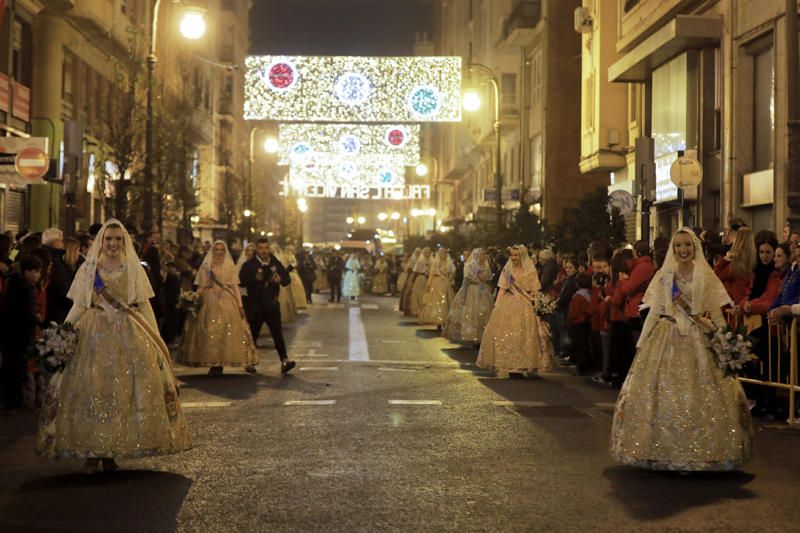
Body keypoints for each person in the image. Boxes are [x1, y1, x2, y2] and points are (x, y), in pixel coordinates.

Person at [36, 220, 192, 473]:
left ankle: (111, 451)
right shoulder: (89, 269)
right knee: (91, 390)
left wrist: (157, 338)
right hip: (93, 333)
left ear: (124, 241)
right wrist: (62, 332)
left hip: (127, 333)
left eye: (118, 239)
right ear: (101, 241)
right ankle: (92, 449)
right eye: (108, 238)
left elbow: (144, 305)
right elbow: (79, 305)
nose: (112, 243)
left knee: (122, 393)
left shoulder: (133, 269)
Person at [610, 228, 753, 471]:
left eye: (687, 245)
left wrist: (726, 341)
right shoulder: (666, 276)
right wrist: (641, 343)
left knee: (704, 395)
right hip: (667, 336)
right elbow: (654, 312)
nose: (683, 250)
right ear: (672, 250)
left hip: (699, 337)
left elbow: (717, 314)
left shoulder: (705, 276)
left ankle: (705, 452)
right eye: (678, 246)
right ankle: (659, 449)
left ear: (695, 247)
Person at [177, 241, 258, 375]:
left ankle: (220, 363)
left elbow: (235, 286)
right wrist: (193, 297)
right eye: (216, 250)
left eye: (221, 250)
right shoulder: (206, 266)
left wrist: (240, 305)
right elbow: (201, 285)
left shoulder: (229, 267)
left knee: (226, 331)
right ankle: (213, 363)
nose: (219, 253)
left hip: (227, 299)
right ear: (212, 251)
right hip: (209, 299)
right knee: (209, 330)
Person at [477, 245, 554, 377]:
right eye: (512, 255)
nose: (513, 258)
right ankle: (512, 365)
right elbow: (502, 288)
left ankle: (525, 363)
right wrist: (497, 304)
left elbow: (534, 289)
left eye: (516, 255)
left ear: (522, 256)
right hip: (509, 303)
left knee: (525, 336)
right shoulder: (508, 270)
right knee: (510, 335)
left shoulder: (530, 270)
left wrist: (537, 304)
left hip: (526, 305)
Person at [239, 238, 295, 374]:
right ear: (257, 249)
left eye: (266, 248)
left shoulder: (275, 262)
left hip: (271, 304)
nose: (264, 251)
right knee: (253, 334)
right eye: (261, 248)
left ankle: (284, 360)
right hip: (256, 305)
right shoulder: (249, 265)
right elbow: (241, 281)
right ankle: (249, 361)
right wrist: (255, 279)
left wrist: (280, 279)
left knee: (277, 333)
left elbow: (286, 279)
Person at [0, 256, 43, 411]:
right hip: (21, 334)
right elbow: (27, 313)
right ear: (27, 272)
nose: (38, 275)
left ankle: (11, 402)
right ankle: (15, 403)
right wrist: (38, 319)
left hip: (10, 333)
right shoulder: (27, 288)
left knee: (11, 368)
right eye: (36, 272)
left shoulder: (13, 283)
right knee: (17, 369)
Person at [443, 248, 494, 344]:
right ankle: (471, 335)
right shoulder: (470, 265)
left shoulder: (486, 266)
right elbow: (466, 281)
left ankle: (481, 336)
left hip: (483, 291)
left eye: (485, 254)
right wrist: (464, 295)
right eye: (482, 254)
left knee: (483, 313)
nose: (484, 256)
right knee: (471, 313)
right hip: (472, 290)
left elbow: (488, 280)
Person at [714, 225, 756, 308]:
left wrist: (724, 260)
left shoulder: (736, 262)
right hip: (746, 301)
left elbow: (716, 277)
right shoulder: (754, 259)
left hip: (733, 301)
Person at [418, 248, 456, 328]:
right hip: (437, 284)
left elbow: (451, 274)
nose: (444, 254)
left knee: (446, 301)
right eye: (442, 252)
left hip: (446, 284)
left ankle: (445, 321)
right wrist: (428, 285)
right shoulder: (435, 263)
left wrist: (451, 279)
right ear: (439, 253)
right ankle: (439, 322)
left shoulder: (449, 263)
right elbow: (431, 274)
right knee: (437, 302)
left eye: (445, 253)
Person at [41, 228, 72, 325]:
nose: (63, 244)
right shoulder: (54, 261)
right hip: (57, 311)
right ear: (54, 242)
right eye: (61, 240)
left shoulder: (45, 256)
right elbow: (62, 286)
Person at [567, 272, 594, 374]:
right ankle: (587, 365)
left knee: (580, 345)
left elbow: (573, 311)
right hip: (587, 322)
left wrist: (570, 321)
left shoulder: (578, 296)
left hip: (578, 322)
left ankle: (582, 367)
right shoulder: (589, 294)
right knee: (585, 345)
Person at [284, 245, 308, 311]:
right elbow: (293, 263)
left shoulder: (290, 256)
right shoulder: (287, 256)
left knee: (296, 287)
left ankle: (298, 303)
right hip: (290, 272)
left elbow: (294, 264)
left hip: (292, 272)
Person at [399, 248, 422, 312]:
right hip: (412, 276)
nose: (418, 254)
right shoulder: (412, 260)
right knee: (409, 291)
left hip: (419, 276)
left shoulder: (421, 260)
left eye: (419, 252)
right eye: (417, 252)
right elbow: (409, 269)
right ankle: (407, 307)